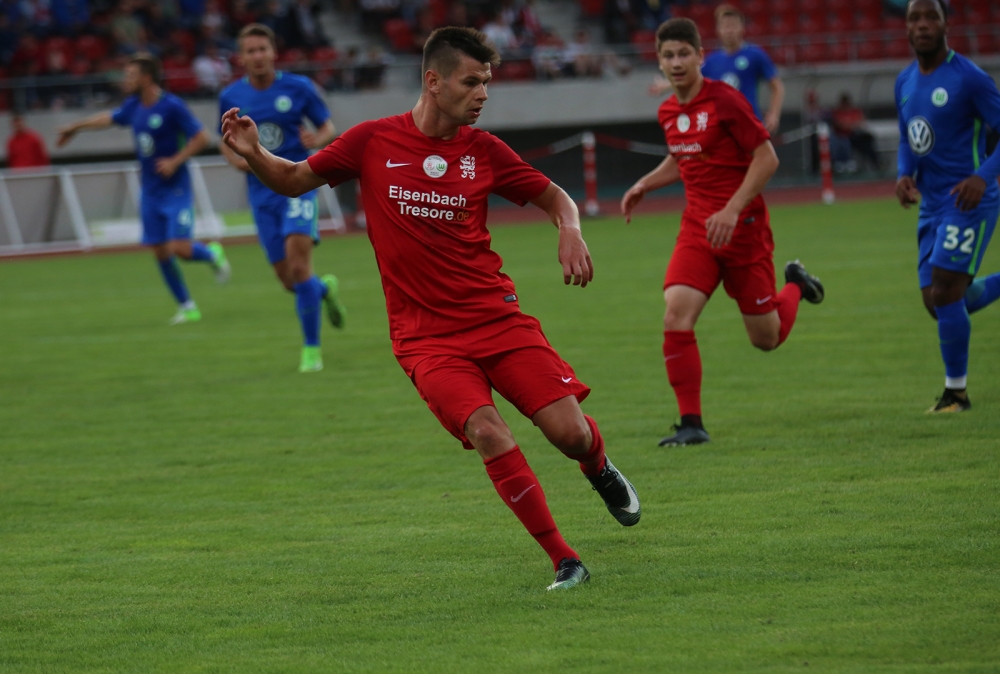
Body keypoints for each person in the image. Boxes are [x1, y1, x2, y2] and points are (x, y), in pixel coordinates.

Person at [221, 26, 641, 591]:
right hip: (425, 339)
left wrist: (570, 229)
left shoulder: (484, 150)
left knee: (571, 436)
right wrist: (254, 153)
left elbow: (555, 197)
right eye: (472, 82)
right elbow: (295, 180)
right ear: (433, 81)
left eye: (486, 82)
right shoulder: (372, 141)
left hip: (497, 320)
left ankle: (599, 467)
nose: (483, 93)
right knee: (489, 432)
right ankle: (565, 560)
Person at [621, 18, 824, 447]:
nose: (677, 62)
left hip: (743, 230)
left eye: (684, 54)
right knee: (676, 315)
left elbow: (767, 158)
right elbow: (681, 156)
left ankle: (795, 285)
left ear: (700, 56)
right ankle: (691, 424)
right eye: (668, 56)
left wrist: (732, 209)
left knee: (766, 339)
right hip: (697, 229)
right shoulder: (668, 110)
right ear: (659, 62)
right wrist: (644, 184)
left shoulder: (726, 101)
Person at [56, 53, 230, 324]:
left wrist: (175, 161)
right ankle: (187, 306)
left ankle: (211, 253)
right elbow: (108, 118)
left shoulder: (172, 106)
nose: (125, 81)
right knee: (160, 252)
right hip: (150, 192)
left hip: (176, 190)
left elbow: (202, 137)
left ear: (146, 78)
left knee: (180, 249)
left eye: (131, 76)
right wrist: (75, 127)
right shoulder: (133, 106)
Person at [219, 24, 345, 373]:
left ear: (274, 52)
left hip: (297, 183)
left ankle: (311, 350)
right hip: (261, 194)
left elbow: (328, 127)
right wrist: (236, 160)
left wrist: (316, 139)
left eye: (263, 49)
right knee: (290, 281)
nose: (258, 56)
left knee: (300, 265)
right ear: (241, 57)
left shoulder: (299, 87)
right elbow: (224, 138)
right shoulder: (230, 95)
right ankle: (324, 290)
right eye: (251, 51)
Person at [895, 0, 1000, 413]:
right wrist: (905, 174)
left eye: (930, 17)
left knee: (944, 288)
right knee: (938, 301)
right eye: (914, 18)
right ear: (906, 28)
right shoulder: (904, 81)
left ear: (945, 25)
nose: (922, 25)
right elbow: (907, 137)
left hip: (968, 199)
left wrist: (982, 177)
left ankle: (956, 394)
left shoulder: (969, 78)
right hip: (932, 203)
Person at [701, 4, 784, 134]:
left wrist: (774, 114)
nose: (729, 30)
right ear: (718, 30)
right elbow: (693, 83)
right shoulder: (711, 60)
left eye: (733, 25)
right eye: (725, 26)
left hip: (750, 123)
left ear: (742, 28)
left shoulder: (755, 54)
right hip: (720, 126)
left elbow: (777, 86)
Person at [831, 92, 881, 173]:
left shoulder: (854, 111)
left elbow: (861, 123)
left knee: (867, 142)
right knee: (842, 144)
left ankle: (876, 163)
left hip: (855, 136)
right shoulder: (838, 112)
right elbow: (840, 125)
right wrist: (851, 125)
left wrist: (850, 125)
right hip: (843, 137)